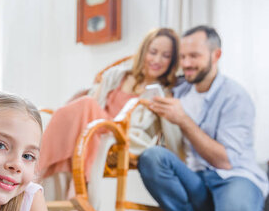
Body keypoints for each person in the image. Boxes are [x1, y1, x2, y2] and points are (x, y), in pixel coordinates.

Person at [138, 26, 269, 211]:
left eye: (194, 56)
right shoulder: (176, 90)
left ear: (215, 55)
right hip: (195, 180)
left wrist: (183, 120)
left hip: (232, 177)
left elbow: (225, 161)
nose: (187, 64)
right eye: (183, 57)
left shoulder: (235, 96)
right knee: (152, 157)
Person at [38, 28, 181, 189]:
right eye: (153, 52)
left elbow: (170, 135)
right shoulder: (116, 75)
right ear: (144, 51)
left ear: (172, 61)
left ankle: (36, 167)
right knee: (77, 111)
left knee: (87, 105)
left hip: (119, 135)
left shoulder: (162, 95)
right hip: (93, 129)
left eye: (166, 56)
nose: (157, 59)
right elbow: (94, 101)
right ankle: (53, 182)